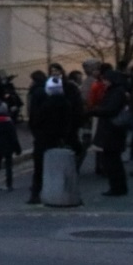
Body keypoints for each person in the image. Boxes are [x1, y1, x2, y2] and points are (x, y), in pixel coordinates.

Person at [26, 69, 78, 204]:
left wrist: (36, 133)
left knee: (39, 167)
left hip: (43, 138)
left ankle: (36, 193)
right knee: (60, 167)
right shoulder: (66, 103)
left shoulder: (46, 104)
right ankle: (62, 192)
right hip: (60, 139)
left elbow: (36, 120)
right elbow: (69, 121)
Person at [88, 63, 130, 197]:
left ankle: (117, 187)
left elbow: (110, 110)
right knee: (113, 159)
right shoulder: (117, 91)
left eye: (105, 80)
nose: (104, 82)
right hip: (113, 130)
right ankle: (118, 186)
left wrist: (94, 111)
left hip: (112, 130)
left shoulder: (115, 92)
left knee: (112, 160)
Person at [0, 101, 22, 191]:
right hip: (8, 147)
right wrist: (17, 149)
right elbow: (13, 137)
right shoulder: (9, 122)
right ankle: (9, 184)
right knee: (9, 166)